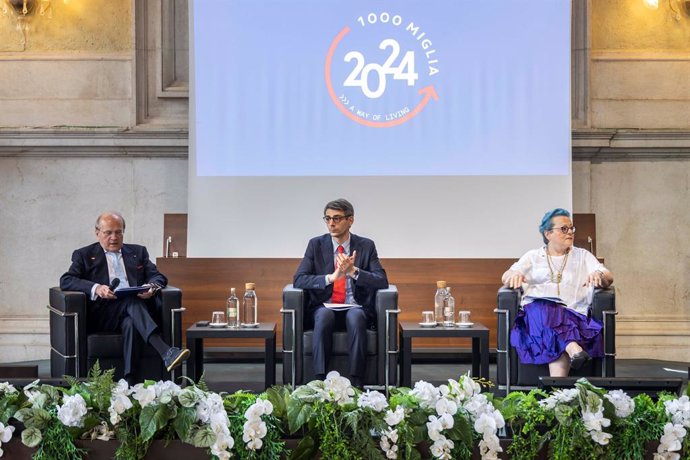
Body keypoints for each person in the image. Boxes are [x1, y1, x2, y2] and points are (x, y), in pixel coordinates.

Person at [60, 211, 190, 383]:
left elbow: (159, 277)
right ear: (97, 232)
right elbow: (66, 280)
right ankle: (165, 351)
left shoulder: (138, 252)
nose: (114, 237)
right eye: (108, 233)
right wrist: (97, 288)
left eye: (118, 232)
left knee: (131, 322)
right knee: (130, 299)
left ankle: (129, 381)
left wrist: (150, 287)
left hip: (134, 312)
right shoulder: (84, 255)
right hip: (104, 314)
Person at [501, 208, 613, 377]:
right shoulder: (533, 256)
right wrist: (514, 275)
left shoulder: (583, 255)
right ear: (548, 234)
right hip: (536, 316)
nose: (570, 233)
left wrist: (599, 275)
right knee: (540, 307)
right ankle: (573, 349)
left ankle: (556, 395)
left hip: (572, 317)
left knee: (553, 330)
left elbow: (608, 276)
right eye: (563, 229)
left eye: (571, 228)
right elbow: (506, 276)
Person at [293, 199, 388, 387]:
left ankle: (356, 382)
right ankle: (319, 381)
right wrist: (331, 277)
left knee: (356, 317)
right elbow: (299, 279)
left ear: (350, 220)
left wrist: (354, 272)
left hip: (355, 305)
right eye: (327, 219)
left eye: (336, 218)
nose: (331, 223)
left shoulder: (366, 246)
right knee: (324, 315)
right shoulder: (316, 245)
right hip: (325, 306)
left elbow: (382, 280)